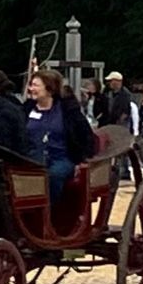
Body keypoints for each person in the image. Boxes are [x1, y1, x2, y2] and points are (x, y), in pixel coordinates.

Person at [24, 68, 95, 205]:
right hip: (31, 158)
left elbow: (85, 135)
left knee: (53, 176)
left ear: (49, 89)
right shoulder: (27, 109)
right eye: (31, 84)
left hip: (61, 158)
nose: (31, 88)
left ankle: (50, 212)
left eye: (35, 85)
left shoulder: (68, 110)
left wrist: (82, 160)